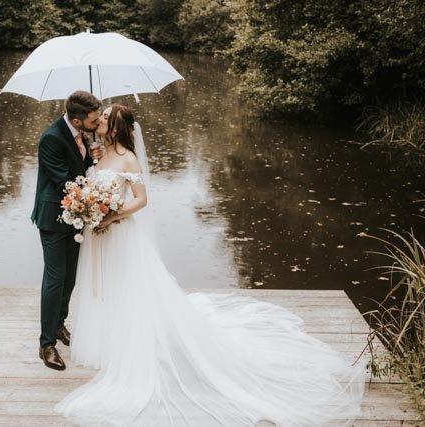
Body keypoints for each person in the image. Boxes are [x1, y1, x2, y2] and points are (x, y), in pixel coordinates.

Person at [56, 104, 367, 426]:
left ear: (117, 126)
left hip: (120, 234)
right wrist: (88, 205)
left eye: (105, 118)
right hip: (99, 236)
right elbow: (90, 187)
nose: (99, 121)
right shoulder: (96, 153)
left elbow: (141, 200)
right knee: (103, 286)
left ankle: (131, 342)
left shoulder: (128, 159)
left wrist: (112, 214)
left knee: (127, 286)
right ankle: (107, 341)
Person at [31, 91, 102, 371]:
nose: (97, 124)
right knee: (55, 277)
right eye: (94, 120)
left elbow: (78, 169)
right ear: (77, 119)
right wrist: (99, 195)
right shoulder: (51, 138)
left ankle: (59, 325)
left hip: (76, 216)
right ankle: (46, 343)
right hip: (53, 217)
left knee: (70, 276)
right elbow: (64, 182)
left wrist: (92, 160)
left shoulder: (81, 134)